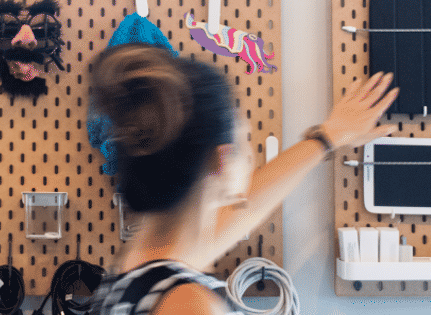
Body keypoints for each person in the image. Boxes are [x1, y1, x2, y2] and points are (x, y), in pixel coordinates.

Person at [87, 44, 398, 315]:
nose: (251, 155)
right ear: (222, 160)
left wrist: (328, 137)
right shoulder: (187, 304)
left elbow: (243, 212)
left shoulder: (138, 271)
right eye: (245, 139)